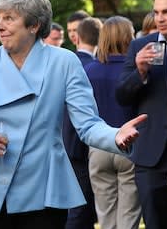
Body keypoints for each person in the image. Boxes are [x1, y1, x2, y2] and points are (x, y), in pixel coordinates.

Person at [0, 0, 146, 229]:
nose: (0, 25)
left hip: (41, 192)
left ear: (34, 26)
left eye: (9, 18)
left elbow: (87, 125)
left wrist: (115, 135)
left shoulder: (64, 62)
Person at [116, 0, 167, 229]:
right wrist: (140, 72)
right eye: (156, 12)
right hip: (152, 154)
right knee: (155, 223)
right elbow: (122, 97)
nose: (159, 18)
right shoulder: (142, 46)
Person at [85, 16, 141, 229]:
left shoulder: (90, 70)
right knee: (129, 216)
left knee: (106, 216)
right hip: (130, 144)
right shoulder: (135, 71)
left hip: (98, 145)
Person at [62, 16, 102, 229]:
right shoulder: (89, 66)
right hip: (82, 144)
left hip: (65, 140)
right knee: (79, 207)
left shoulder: (66, 63)